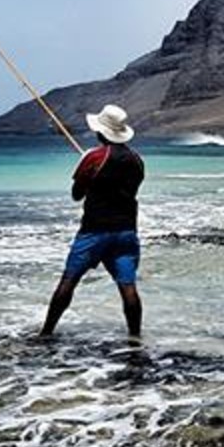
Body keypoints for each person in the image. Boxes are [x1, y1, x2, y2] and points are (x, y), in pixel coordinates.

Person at [39, 104, 145, 340]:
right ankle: (135, 338)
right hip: (126, 231)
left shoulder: (94, 157)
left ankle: (46, 334)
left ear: (100, 132)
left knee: (69, 281)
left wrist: (89, 176)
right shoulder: (137, 160)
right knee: (128, 287)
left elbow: (77, 194)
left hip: (95, 230)